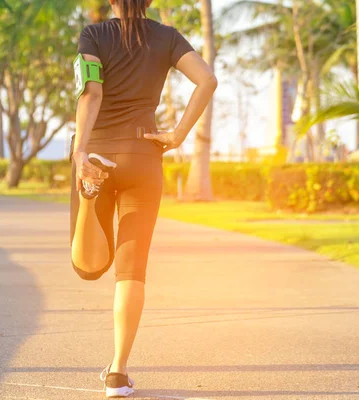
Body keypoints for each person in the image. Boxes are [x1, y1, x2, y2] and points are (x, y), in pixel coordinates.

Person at [69, 0, 217, 397]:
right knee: (131, 270)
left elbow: (91, 94)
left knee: (88, 265)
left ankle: (89, 194)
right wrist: (177, 135)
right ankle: (118, 372)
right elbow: (207, 80)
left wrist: (80, 152)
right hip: (143, 155)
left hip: (98, 151)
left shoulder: (93, 35)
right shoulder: (167, 37)